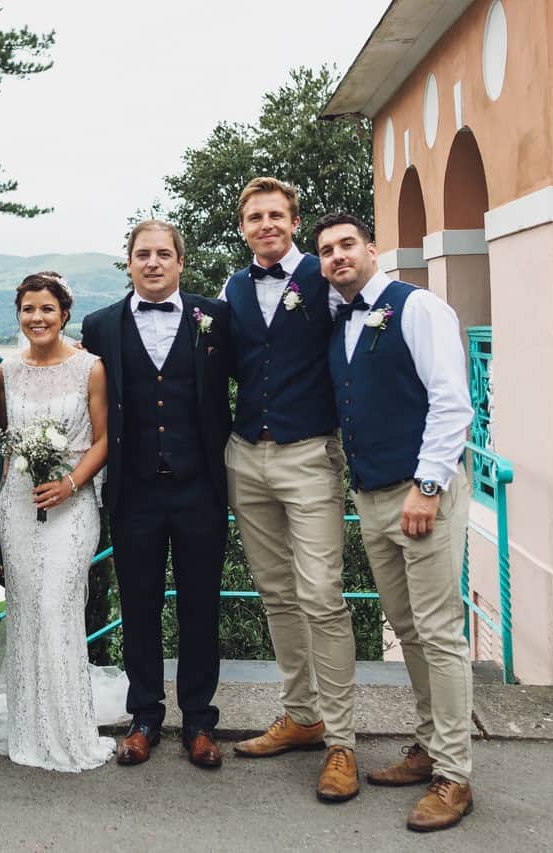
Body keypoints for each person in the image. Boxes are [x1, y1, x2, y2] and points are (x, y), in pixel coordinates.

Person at [314, 212, 475, 832]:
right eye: (327, 250)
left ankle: (454, 776)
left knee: (439, 631)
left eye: (346, 245)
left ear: (371, 250)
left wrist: (428, 486)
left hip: (421, 493)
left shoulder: (417, 308)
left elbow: (451, 401)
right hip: (372, 495)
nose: (337, 256)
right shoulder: (339, 321)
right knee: (407, 628)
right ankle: (429, 745)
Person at [219, 177, 359, 801]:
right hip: (246, 456)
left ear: (294, 221)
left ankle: (343, 741)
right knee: (276, 593)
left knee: (321, 595)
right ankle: (303, 716)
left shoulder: (324, 276)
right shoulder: (234, 287)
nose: (266, 224)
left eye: (276, 214)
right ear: (243, 227)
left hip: (308, 454)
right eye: (255, 217)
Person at [79, 221, 232, 769]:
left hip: (201, 489)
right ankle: (144, 716)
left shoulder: (216, 317)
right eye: (142, 254)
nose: (153, 262)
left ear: (180, 262)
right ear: (129, 263)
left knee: (200, 606)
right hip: (134, 490)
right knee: (138, 606)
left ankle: (199, 721)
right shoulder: (99, 326)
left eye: (163, 254)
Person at [0, 272, 124, 772]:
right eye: (28, 309)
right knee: (27, 610)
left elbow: (104, 439)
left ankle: (69, 731)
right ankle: (29, 727)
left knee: (58, 606)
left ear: (64, 314)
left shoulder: (90, 368)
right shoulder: (6, 373)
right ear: (19, 315)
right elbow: (2, 439)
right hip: (18, 504)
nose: (37, 318)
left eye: (47, 309)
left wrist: (70, 484)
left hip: (72, 503)